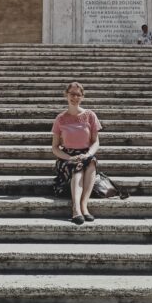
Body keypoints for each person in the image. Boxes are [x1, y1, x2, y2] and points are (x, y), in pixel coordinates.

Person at [51, 81, 102, 225]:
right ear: (66, 95)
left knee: (91, 163)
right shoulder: (60, 119)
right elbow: (55, 148)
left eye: (78, 94)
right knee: (77, 167)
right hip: (66, 156)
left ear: (82, 97)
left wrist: (88, 154)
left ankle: (84, 205)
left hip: (86, 153)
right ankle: (76, 209)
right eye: (72, 94)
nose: (75, 97)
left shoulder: (90, 115)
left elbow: (95, 141)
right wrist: (69, 157)